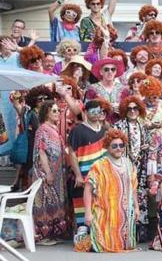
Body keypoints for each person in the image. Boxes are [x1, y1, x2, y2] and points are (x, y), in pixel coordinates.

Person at [82, 129, 138, 252]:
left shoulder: (128, 164)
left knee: (126, 246)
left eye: (121, 145)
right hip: (105, 214)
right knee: (102, 246)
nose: (119, 148)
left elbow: (133, 188)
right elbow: (88, 189)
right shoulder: (98, 166)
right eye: (114, 146)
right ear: (107, 147)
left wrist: (137, 207)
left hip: (125, 215)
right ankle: (83, 236)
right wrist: (88, 213)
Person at [68, 99, 110, 230]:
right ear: (85, 112)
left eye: (99, 111)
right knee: (83, 209)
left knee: (102, 206)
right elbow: (72, 153)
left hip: (103, 176)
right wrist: (78, 175)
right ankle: (84, 237)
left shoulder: (104, 131)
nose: (97, 114)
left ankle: (100, 236)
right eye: (93, 111)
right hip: (85, 176)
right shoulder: (77, 131)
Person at [113, 96, 150, 239]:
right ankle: (124, 230)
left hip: (140, 166)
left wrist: (145, 147)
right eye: (129, 109)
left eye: (135, 108)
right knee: (124, 195)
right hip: (124, 165)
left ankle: (140, 230)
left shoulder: (143, 125)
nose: (133, 111)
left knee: (139, 195)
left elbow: (147, 144)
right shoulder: (119, 125)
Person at [32, 100, 68, 244]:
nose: (57, 113)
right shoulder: (42, 129)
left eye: (58, 111)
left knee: (56, 202)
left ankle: (53, 233)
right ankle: (42, 235)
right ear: (46, 112)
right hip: (45, 172)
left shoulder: (53, 128)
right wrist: (48, 173)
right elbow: (41, 152)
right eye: (54, 111)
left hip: (57, 172)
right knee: (45, 202)